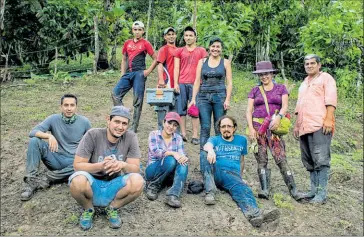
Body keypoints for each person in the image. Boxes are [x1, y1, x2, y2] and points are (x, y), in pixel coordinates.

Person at [68, 106, 144, 230]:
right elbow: (77, 165)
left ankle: (113, 207)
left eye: (124, 123)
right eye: (117, 122)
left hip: (115, 185)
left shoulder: (131, 137)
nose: (120, 127)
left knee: (138, 181)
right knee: (77, 181)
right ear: (108, 120)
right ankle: (89, 208)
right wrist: (101, 165)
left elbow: (136, 169)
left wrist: (122, 165)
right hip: (92, 185)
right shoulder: (93, 135)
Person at [202, 115, 280, 227]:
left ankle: (254, 215)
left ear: (234, 128)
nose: (226, 129)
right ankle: (255, 213)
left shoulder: (241, 140)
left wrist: (240, 176)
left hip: (232, 175)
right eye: (223, 126)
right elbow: (207, 145)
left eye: (229, 126)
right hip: (217, 171)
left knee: (242, 187)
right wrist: (210, 151)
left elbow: (241, 161)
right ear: (219, 129)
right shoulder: (215, 139)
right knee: (204, 153)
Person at [246, 61, 304, 201]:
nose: (264, 77)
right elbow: (248, 110)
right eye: (261, 74)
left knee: (281, 158)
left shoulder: (281, 88)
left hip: (274, 128)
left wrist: (278, 117)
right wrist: (250, 129)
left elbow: (284, 106)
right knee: (261, 159)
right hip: (258, 128)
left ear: (272, 74)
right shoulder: (254, 90)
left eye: (266, 74)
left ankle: (293, 190)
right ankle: (265, 189)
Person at [20, 94, 91, 201]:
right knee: (35, 141)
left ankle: (46, 178)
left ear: (76, 107)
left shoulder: (84, 122)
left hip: (73, 163)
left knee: (85, 164)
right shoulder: (53, 119)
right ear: (61, 107)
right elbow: (32, 132)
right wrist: (48, 135)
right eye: (66, 105)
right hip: (55, 158)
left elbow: (92, 142)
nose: (69, 108)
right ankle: (31, 182)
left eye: (72, 105)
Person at [294, 54, 337, 204]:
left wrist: (328, 119)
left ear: (319, 65)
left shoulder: (326, 78)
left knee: (321, 159)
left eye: (312, 63)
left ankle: (321, 194)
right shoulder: (304, 82)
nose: (309, 66)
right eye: (307, 64)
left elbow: (331, 99)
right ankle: (313, 190)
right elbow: (300, 105)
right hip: (305, 126)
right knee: (309, 159)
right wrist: (297, 124)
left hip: (320, 124)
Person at [189, 37, 232, 172]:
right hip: (203, 98)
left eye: (218, 47)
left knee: (220, 128)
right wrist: (193, 99)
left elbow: (229, 82)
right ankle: (204, 164)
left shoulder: (225, 63)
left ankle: (220, 163)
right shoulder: (202, 62)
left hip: (220, 97)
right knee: (205, 128)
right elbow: (197, 81)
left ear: (221, 49)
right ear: (209, 48)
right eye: (213, 46)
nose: (215, 49)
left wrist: (227, 99)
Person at [111, 21, 158, 133]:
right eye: (135, 29)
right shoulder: (127, 43)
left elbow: (156, 58)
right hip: (128, 73)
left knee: (137, 100)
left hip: (139, 74)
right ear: (132, 30)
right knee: (115, 94)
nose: (137, 32)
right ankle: (123, 115)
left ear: (143, 31)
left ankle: (134, 127)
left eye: (139, 29)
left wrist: (147, 72)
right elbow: (124, 59)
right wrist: (122, 74)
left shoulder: (145, 43)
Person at [145, 112, 188, 208]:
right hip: (153, 170)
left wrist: (183, 157)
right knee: (170, 160)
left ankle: (173, 195)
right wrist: (173, 153)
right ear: (164, 122)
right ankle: (153, 185)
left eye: (175, 125)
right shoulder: (154, 134)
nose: (171, 127)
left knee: (183, 163)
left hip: (169, 173)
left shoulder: (178, 138)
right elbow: (156, 152)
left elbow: (181, 154)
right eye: (169, 123)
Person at [174, 26, 208, 145]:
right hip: (182, 83)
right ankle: (183, 134)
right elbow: (176, 68)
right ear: (183, 37)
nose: (188, 38)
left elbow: (205, 68)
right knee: (181, 109)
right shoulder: (179, 51)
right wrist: (175, 83)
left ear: (195, 37)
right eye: (186, 35)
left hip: (196, 84)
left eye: (190, 35)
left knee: (194, 110)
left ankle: (194, 135)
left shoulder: (202, 51)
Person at [155, 27, 178, 130]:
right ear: (165, 37)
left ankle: (172, 132)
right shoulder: (163, 49)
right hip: (164, 83)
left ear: (176, 35)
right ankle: (161, 130)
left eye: (173, 34)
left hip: (175, 84)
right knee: (162, 107)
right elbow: (159, 64)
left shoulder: (178, 50)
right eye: (168, 34)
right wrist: (161, 80)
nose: (171, 36)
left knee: (174, 109)